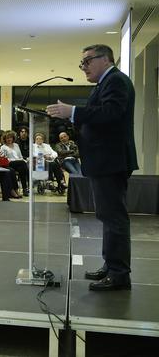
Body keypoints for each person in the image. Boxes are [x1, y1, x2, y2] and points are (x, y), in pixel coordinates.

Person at [47, 43, 137, 292]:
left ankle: (119, 274)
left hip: (110, 160)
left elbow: (110, 113)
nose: (83, 67)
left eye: (87, 61)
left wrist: (74, 111)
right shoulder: (106, 83)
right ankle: (112, 265)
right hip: (105, 160)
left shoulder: (116, 81)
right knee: (108, 216)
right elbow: (101, 117)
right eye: (82, 63)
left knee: (114, 218)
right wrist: (72, 116)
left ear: (105, 59)